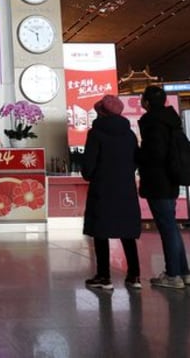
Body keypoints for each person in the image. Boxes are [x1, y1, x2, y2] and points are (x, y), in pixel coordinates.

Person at [80, 94, 141, 291]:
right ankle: (134, 276)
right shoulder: (130, 134)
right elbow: (135, 161)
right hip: (125, 189)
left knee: (101, 232)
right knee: (127, 232)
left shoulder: (96, 134)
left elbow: (88, 167)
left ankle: (104, 277)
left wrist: (92, 174)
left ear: (101, 113)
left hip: (103, 188)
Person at [136, 85, 190, 289]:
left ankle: (173, 274)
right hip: (172, 179)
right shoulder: (171, 120)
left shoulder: (153, 122)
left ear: (147, 102)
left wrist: (138, 154)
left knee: (167, 227)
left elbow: (154, 154)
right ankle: (183, 272)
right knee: (171, 226)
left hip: (158, 180)